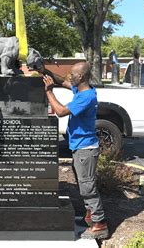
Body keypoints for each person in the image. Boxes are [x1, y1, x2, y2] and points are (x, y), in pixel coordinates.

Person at [40, 62, 109, 240]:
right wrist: (43, 70)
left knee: (87, 188)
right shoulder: (83, 89)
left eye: (74, 75)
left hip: (85, 148)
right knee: (83, 184)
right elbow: (62, 80)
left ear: (82, 77)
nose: (71, 77)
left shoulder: (85, 97)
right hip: (81, 147)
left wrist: (49, 91)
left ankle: (99, 224)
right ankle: (90, 218)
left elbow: (61, 111)